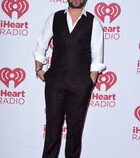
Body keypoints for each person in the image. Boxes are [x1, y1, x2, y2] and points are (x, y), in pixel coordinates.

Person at [34, 0, 105, 157]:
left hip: (80, 86)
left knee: (74, 131)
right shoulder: (55, 17)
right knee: (52, 129)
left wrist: (90, 81)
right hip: (55, 84)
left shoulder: (94, 22)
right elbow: (41, 45)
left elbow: (97, 57)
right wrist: (38, 69)